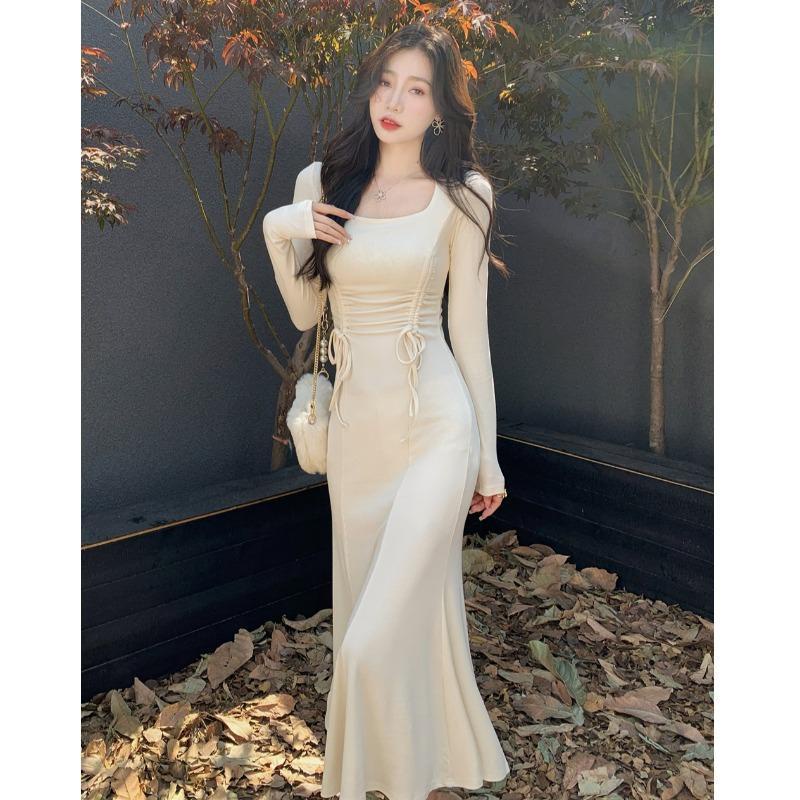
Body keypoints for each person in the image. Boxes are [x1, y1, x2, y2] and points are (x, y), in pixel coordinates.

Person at [262, 21, 511, 800]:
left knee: (371, 641)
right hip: (357, 434)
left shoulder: (464, 196)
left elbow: (470, 332)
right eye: (385, 82)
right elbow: (306, 314)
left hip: (436, 424)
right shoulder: (320, 182)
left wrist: (488, 455)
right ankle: (414, 772)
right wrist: (278, 229)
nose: (393, 100)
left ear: (440, 109)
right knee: (387, 610)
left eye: (416, 88)